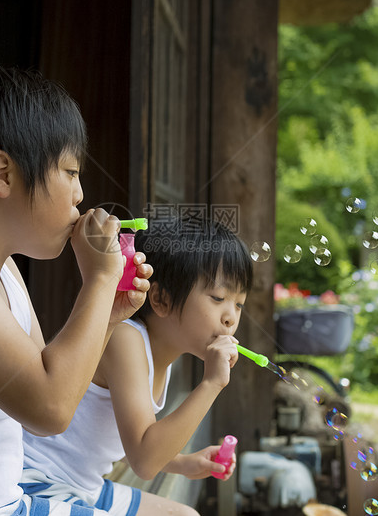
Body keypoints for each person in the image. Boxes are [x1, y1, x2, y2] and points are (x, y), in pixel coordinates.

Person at [0, 64, 152, 516]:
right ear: (3, 174)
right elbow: (50, 409)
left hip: (3, 502)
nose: (80, 195)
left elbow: (52, 385)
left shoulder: (3, 270)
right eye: (70, 172)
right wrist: (99, 280)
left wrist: (108, 314)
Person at [22, 216, 254, 516]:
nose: (230, 318)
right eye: (219, 298)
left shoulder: (162, 355)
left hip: (84, 486)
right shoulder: (125, 339)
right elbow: (145, 459)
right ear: (161, 299)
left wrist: (185, 463)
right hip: (37, 481)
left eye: (239, 304)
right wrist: (211, 384)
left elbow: (132, 443)